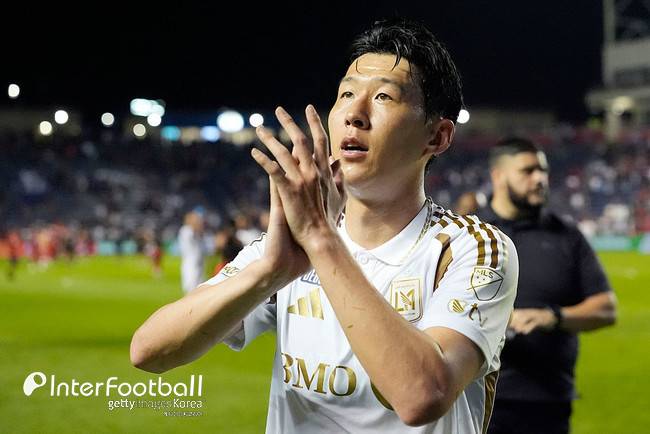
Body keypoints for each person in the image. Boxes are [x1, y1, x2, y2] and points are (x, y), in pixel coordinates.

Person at [131, 18, 518, 433]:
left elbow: (422, 395)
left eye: (384, 96)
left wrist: (321, 241)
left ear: (437, 137)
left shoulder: (470, 249)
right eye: (346, 94)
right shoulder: (290, 248)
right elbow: (149, 351)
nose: (354, 114)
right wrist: (269, 272)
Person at [474, 137, 617, 434]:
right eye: (527, 171)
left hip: (549, 404)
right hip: (479, 398)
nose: (539, 179)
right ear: (498, 176)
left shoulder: (567, 236)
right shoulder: (472, 236)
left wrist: (553, 317)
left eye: (543, 170)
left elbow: (606, 309)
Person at [178, 210, 206, 293]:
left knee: (200, 286)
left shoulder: (196, 231)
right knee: (191, 286)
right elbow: (193, 231)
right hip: (190, 262)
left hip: (199, 261)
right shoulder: (185, 230)